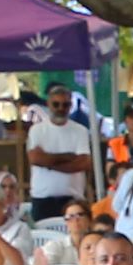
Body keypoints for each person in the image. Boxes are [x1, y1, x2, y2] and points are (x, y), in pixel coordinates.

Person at [25, 83, 97, 221]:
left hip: (73, 198)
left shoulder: (80, 130)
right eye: (56, 104)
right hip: (42, 199)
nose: (60, 109)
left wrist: (48, 164)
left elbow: (83, 163)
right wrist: (68, 157)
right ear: (49, 104)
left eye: (65, 105)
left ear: (70, 106)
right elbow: (35, 159)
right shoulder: (37, 130)